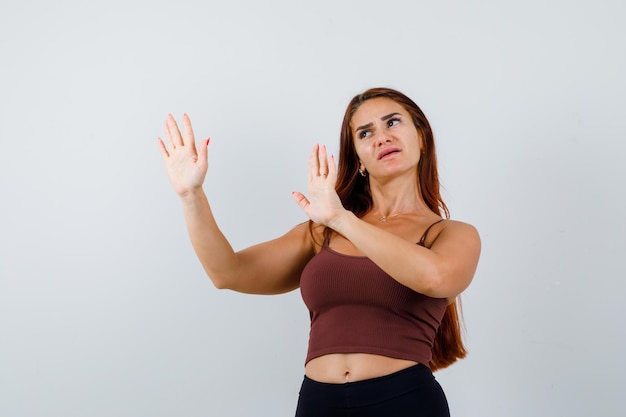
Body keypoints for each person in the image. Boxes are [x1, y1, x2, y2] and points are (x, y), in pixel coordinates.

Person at [157, 87, 481, 416]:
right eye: (366, 132)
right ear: (358, 159)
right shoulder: (321, 233)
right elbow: (227, 273)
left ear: (421, 137)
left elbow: (435, 278)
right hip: (318, 403)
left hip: (403, 400)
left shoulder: (451, 234)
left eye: (392, 123)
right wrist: (191, 194)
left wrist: (343, 219)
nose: (381, 138)